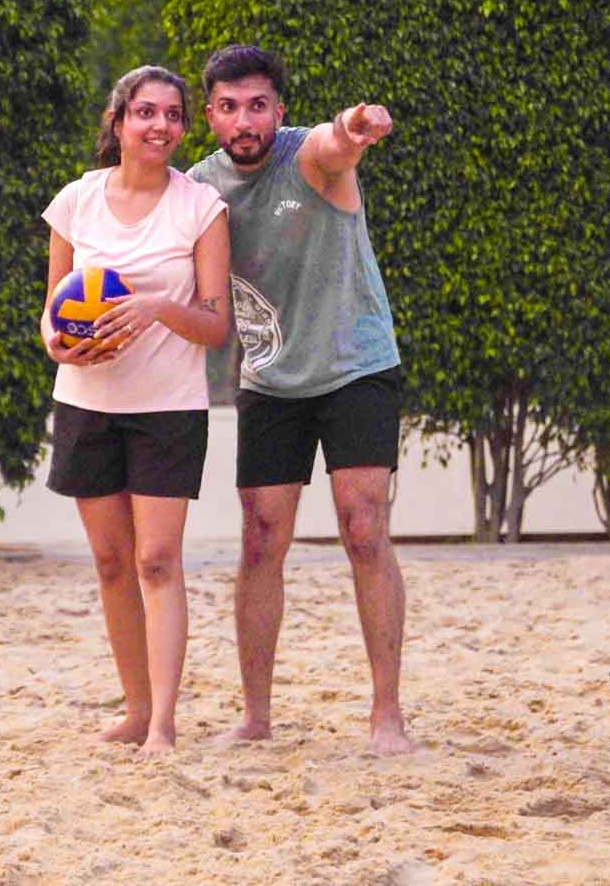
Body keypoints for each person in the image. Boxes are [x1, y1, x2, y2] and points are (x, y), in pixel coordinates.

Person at [185, 43, 413, 756]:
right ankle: (256, 717)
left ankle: (387, 716)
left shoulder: (307, 157)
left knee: (364, 527)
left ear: (278, 111)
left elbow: (334, 143)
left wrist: (355, 125)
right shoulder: (197, 190)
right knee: (260, 541)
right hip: (270, 379)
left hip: (356, 367)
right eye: (228, 107)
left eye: (258, 105)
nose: (244, 119)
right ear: (211, 115)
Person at [41, 65, 231, 755]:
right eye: (146, 112)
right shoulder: (75, 202)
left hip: (168, 408)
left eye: (174, 114)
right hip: (87, 404)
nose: (160, 125)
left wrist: (157, 308)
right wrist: (59, 346)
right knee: (112, 562)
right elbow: (52, 311)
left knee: (157, 559)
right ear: (118, 122)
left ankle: (163, 723)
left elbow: (216, 326)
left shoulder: (200, 207)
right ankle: (134, 706)